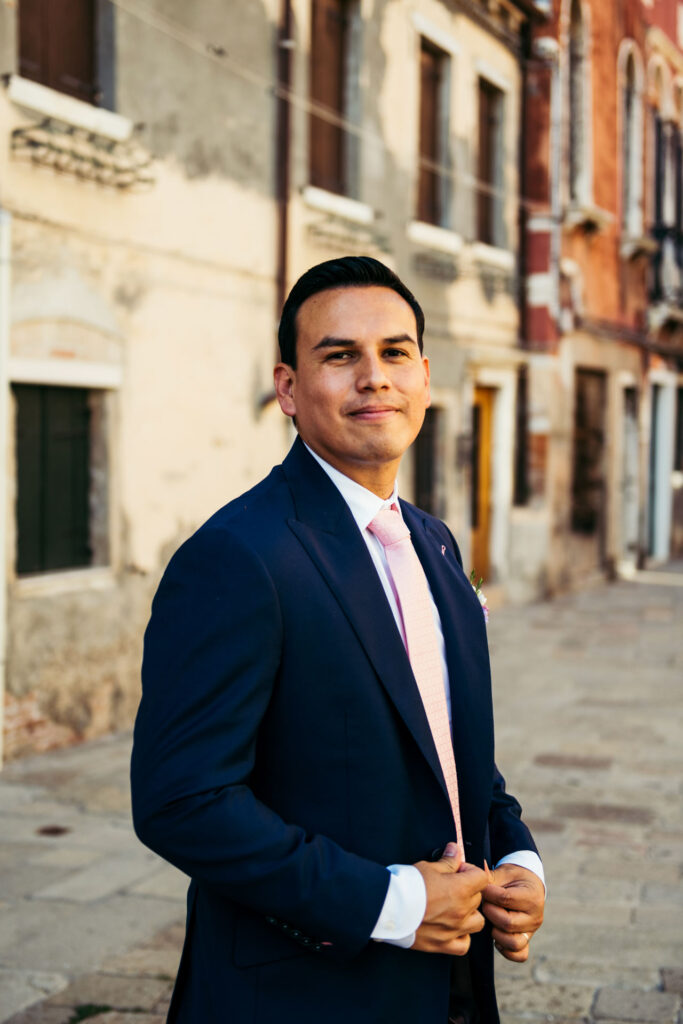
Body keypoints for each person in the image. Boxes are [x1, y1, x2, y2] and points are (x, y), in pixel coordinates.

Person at [131, 256, 545, 1024]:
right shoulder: (238, 556)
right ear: (288, 388)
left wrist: (516, 856)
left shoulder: (436, 544)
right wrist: (390, 902)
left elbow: (453, 753)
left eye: (393, 353)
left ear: (423, 374)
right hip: (301, 990)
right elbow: (181, 800)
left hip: (451, 978)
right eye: (338, 355)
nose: (373, 378)